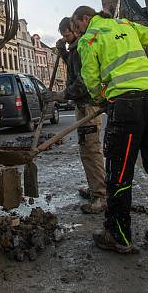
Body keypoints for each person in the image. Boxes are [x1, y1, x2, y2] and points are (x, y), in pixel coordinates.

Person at [71, 5, 148, 255]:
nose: (78, 31)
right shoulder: (126, 26)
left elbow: (91, 81)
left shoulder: (90, 39)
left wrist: (101, 99)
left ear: (86, 19)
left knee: (118, 173)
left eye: (77, 26)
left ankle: (118, 235)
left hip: (125, 106)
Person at [45, 17, 106, 214]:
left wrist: (61, 95)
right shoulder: (74, 49)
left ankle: (101, 196)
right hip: (82, 106)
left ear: (76, 31)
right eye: (63, 36)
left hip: (88, 106)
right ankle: (95, 188)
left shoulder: (82, 47)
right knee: (85, 150)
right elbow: (72, 68)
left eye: (67, 35)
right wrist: (62, 51)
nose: (65, 38)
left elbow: (82, 82)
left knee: (91, 150)